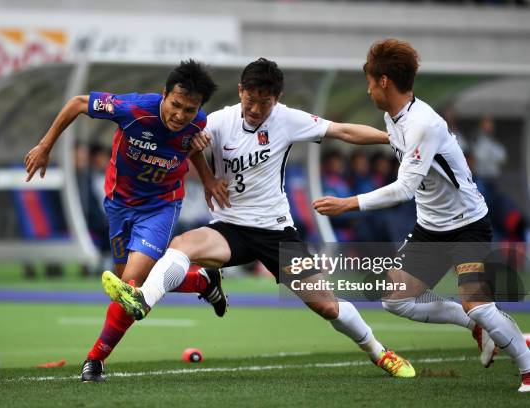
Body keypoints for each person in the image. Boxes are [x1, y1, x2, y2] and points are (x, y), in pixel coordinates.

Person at [101, 58, 416, 378]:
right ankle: (143, 300)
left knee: (327, 306)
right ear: (240, 91)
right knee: (182, 244)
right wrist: (202, 164)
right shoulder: (219, 120)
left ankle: (380, 352)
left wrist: (392, 139)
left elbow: (343, 130)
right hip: (229, 229)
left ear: (276, 100)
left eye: (264, 103)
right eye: (250, 100)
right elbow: (184, 137)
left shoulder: (288, 119)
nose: (255, 109)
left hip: (276, 233)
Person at [312, 39, 530, 392]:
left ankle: (527, 369)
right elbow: (396, 153)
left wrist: (348, 202)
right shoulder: (393, 117)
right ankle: (475, 326)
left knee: (477, 303)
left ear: (384, 81)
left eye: (369, 81)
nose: (367, 90)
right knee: (396, 300)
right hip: (430, 227)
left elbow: (403, 190)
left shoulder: (424, 123)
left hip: (467, 225)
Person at [24, 60, 225, 382]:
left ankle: (95, 360)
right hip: (118, 205)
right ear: (164, 94)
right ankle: (203, 281)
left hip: (161, 206)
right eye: (175, 105)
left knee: (129, 286)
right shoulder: (131, 109)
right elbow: (77, 103)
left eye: (190, 110)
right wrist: (45, 146)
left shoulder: (197, 123)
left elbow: (191, 144)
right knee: (133, 283)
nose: (180, 115)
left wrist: (209, 180)